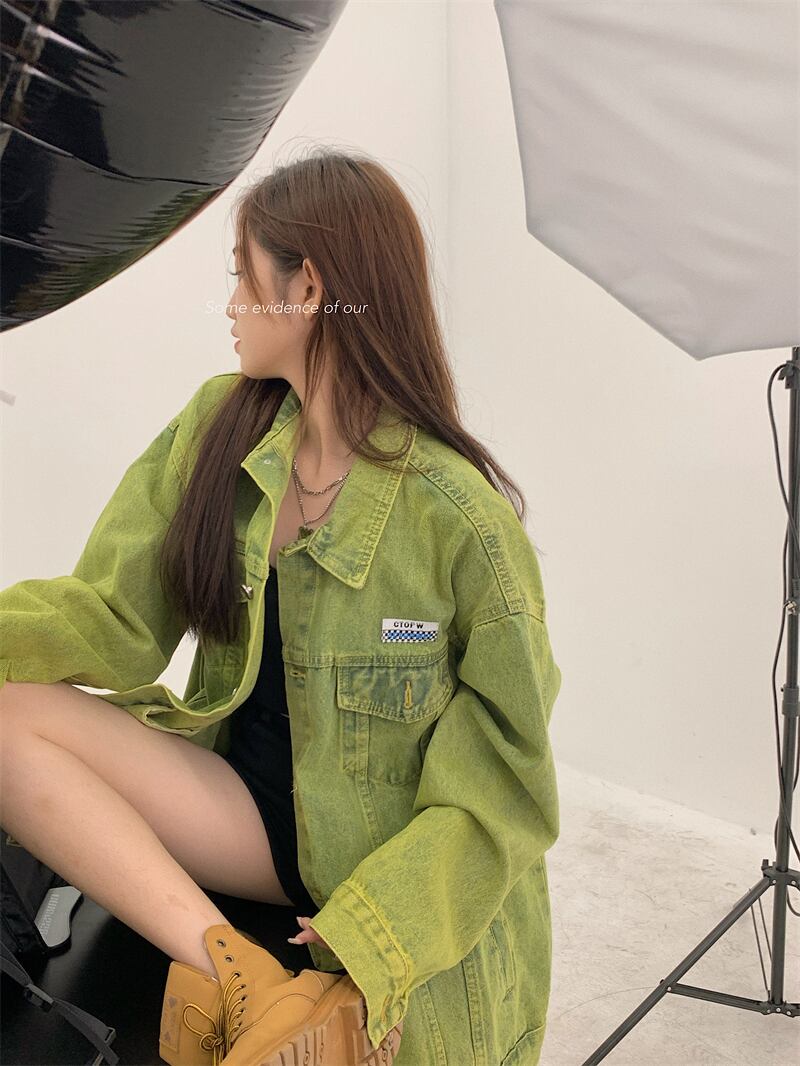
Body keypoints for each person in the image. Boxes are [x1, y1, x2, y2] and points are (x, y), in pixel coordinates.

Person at [0, 147, 562, 1066]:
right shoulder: (220, 429)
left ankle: (311, 1003)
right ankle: (243, 983)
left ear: (307, 291)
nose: (229, 305)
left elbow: (504, 792)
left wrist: (376, 940)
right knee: (7, 717)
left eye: (241, 276)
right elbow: (111, 617)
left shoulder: (461, 523)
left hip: (377, 865)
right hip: (253, 821)